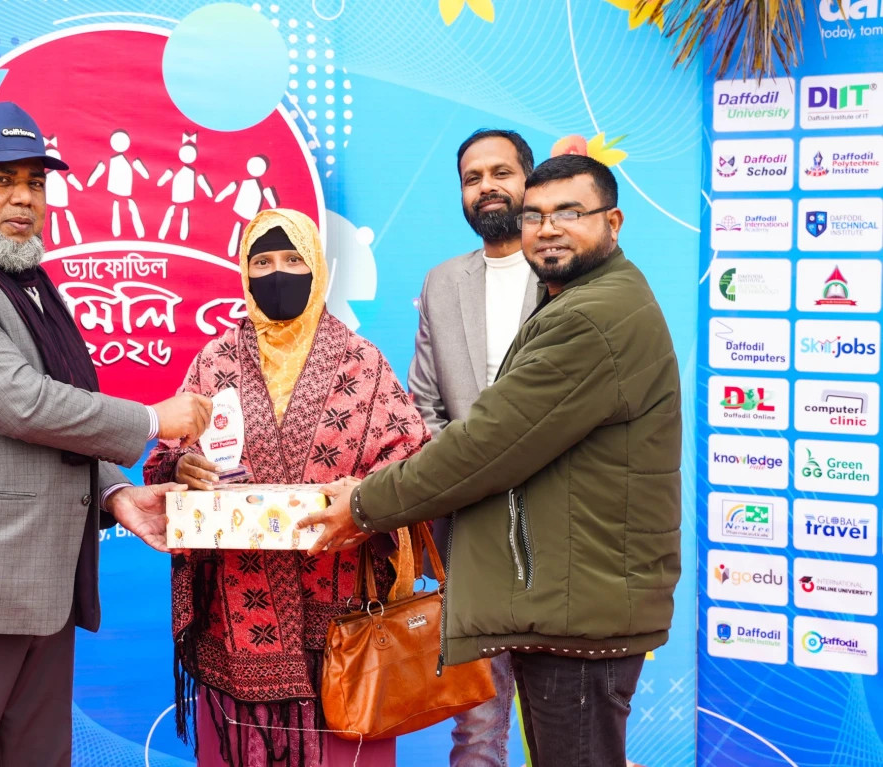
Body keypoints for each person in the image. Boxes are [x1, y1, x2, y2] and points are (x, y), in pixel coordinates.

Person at [301, 155, 682, 767]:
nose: (548, 229)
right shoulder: (580, 299)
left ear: (613, 222)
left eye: (570, 213)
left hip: (578, 607)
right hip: (565, 597)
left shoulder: (591, 317)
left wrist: (365, 505)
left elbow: (486, 446)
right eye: (535, 215)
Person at [0, 101, 212, 767]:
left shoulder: (28, 285)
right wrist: (152, 419)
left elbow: (56, 413)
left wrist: (115, 495)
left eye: (35, 181)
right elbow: (21, 403)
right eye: (1, 179)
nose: (23, 197)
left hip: (40, 595)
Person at [143, 208, 429, 767]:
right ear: (244, 273)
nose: (278, 274)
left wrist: (363, 497)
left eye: (294, 260)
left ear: (318, 268)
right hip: (236, 623)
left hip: (343, 625)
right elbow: (165, 459)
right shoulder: (215, 361)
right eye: (263, 262)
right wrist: (181, 468)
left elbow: (413, 461)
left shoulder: (363, 363)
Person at [409, 128, 538, 767]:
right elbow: (423, 408)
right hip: (472, 539)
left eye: (501, 172)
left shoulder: (568, 273)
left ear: (530, 181)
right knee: (479, 730)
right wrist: (473, 476)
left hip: (561, 535)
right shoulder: (442, 283)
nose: (486, 186)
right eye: (472, 178)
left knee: (566, 726)